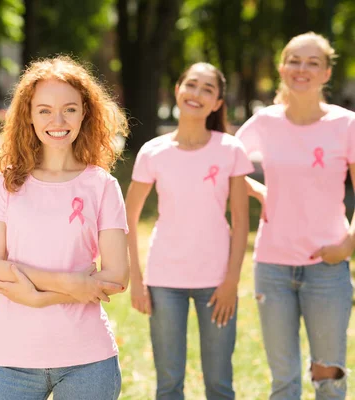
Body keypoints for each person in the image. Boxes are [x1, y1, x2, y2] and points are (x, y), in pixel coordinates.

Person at [0, 56, 129, 400]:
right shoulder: (8, 182)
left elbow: (118, 276)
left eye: (69, 109)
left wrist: (36, 295)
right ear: (28, 116)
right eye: (44, 110)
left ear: (85, 113)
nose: (57, 120)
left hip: (88, 361)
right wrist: (71, 285)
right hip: (11, 359)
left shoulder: (102, 186)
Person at [236, 32, 354, 400]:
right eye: (295, 61)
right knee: (284, 381)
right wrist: (258, 190)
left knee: (329, 376)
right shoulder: (263, 123)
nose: (302, 69)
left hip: (328, 266)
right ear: (283, 69)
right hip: (272, 267)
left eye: (312, 62)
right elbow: (226, 166)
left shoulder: (347, 125)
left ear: (326, 73)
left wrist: (348, 243)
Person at [126, 62, 252, 399]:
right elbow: (129, 216)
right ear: (178, 89)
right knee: (168, 384)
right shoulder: (152, 151)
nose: (197, 93)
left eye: (207, 89)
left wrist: (231, 281)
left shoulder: (230, 150)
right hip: (164, 281)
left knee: (219, 383)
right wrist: (137, 280)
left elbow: (241, 221)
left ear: (217, 104)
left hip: (217, 283)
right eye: (191, 84)